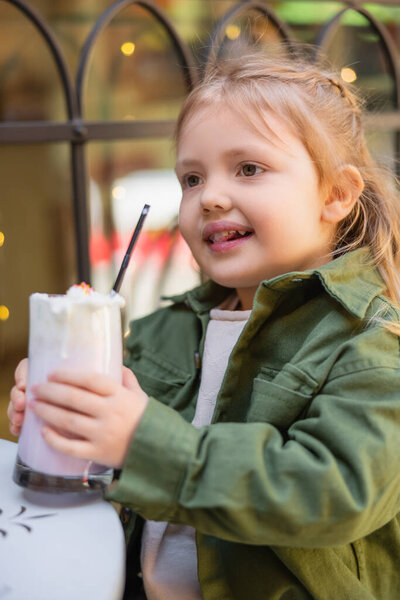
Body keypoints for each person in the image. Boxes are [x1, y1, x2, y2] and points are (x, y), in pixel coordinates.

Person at [8, 51, 400, 599]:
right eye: (192, 178)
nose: (209, 197)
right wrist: (62, 427)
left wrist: (140, 439)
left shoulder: (372, 344)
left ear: (335, 194)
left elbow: (331, 492)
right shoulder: (160, 332)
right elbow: (113, 478)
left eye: (248, 169)